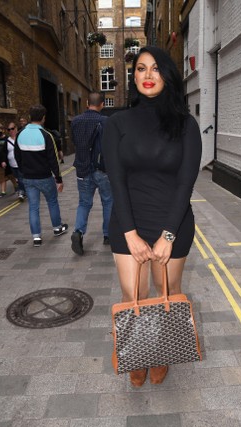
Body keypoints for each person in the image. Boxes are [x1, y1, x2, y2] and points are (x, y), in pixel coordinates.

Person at [102, 46, 202, 387]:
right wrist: (130, 233)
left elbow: (186, 182)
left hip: (172, 223)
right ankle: (137, 353)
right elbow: (116, 180)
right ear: (133, 76)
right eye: (141, 68)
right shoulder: (117, 123)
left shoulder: (186, 125)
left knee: (166, 292)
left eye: (155, 68)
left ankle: (159, 352)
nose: (147, 75)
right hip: (127, 221)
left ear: (167, 75)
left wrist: (168, 235)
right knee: (135, 293)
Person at [15, 104, 68, 246]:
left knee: (33, 206)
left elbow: (17, 156)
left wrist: (23, 171)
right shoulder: (46, 135)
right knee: (52, 202)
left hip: (28, 178)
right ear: (43, 118)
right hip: (44, 177)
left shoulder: (20, 134)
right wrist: (58, 179)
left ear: (29, 117)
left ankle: (36, 237)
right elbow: (53, 159)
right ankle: (57, 228)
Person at [70, 91, 113, 255]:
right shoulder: (106, 121)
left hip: (83, 169)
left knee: (84, 203)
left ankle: (78, 232)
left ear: (87, 103)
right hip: (102, 169)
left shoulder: (76, 121)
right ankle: (108, 235)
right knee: (108, 201)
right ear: (102, 104)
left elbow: (75, 142)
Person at [5, 122, 26, 201]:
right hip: (12, 164)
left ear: (16, 128)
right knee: (18, 179)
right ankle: (24, 190)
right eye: (9, 129)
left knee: (20, 178)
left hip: (20, 163)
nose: (11, 131)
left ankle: (21, 192)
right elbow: (4, 152)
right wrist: (3, 161)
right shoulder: (7, 140)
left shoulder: (21, 138)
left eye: (12, 129)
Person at [0, 122, 17, 197]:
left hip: (7, 160)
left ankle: (16, 186)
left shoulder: (6, 139)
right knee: (1, 175)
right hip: (0, 160)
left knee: (10, 175)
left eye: (0, 129)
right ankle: (3, 191)